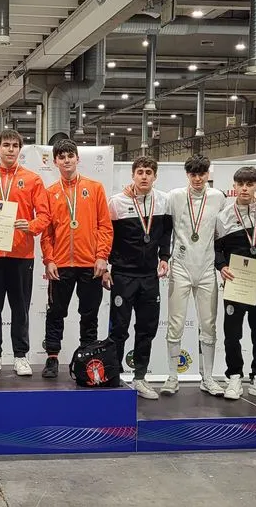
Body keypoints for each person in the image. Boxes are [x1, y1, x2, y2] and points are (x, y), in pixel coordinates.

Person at [0, 129, 50, 376]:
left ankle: (20, 356)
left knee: (20, 308)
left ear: (20, 150)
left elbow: (44, 216)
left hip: (21, 254)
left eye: (15, 145)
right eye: (6, 145)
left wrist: (30, 226)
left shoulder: (33, 180)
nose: (10, 149)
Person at [40, 139, 113, 378]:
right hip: (60, 265)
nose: (66, 160)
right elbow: (47, 232)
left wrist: (102, 256)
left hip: (90, 264)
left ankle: (88, 357)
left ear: (77, 158)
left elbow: (105, 226)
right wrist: (49, 260)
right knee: (55, 312)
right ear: (55, 162)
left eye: (70, 156)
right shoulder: (50, 193)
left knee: (89, 313)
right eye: (61, 157)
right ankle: (52, 357)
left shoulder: (95, 188)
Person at [103, 155, 171, 399]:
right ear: (132, 175)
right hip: (123, 275)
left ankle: (140, 377)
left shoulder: (163, 201)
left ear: (155, 176)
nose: (144, 176)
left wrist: (164, 257)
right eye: (140, 172)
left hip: (149, 277)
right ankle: (113, 376)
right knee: (119, 328)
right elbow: (107, 237)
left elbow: (166, 234)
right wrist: (106, 267)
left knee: (146, 328)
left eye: (148, 172)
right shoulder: (116, 202)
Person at [162, 155, 225, 396]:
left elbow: (230, 224)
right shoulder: (174, 196)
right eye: (193, 174)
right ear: (187, 175)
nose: (197, 179)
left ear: (208, 174)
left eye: (202, 174)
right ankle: (172, 377)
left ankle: (207, 378)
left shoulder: (218, 197)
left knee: (208, 324)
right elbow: (159, 220)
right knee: (176, 323)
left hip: (207, 268)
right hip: (181, 267)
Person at [214, 167, 256, 400]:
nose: (244, 189)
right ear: (234, 186)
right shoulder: (224, 217)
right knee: (232, 333)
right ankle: (234, 376)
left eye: (249, 184)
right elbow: (216, 249)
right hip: (235, 281)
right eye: (240, 184)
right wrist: (222, 266)